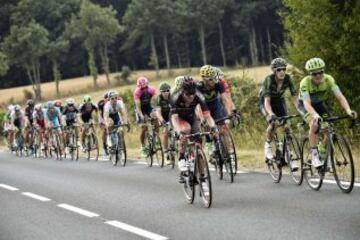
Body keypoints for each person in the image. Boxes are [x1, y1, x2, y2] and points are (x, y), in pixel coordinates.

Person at [298, 57, 357, 168]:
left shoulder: (329, 79)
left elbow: (340, 97)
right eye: (314, 74)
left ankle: (323, 149)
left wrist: (348, 111)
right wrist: (315, 115)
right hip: (305, 105)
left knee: (328, 128)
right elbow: (307, 103)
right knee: (314, 124)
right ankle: (315, 155)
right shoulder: (305, 82)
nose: (318, 75)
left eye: (321, 72)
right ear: (310, 74)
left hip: (319, 104)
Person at [170, 76, 218, 183]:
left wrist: (213, 128)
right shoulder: (175, 97)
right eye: (188, 94)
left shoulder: (199, 96)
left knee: (198, 141)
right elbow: (175, 118)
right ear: (182, 92)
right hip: (179, 118)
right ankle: (182, 157)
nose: (191, 96)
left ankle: (202, 175)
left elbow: (207, 115)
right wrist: (179, 132)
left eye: (193, 93)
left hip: (191, 116)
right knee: (185, 129)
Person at [259, 58, 299, 169]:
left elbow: (295, 98)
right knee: (272, 124)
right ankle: (268, 146)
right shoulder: (269, 80)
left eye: (284, 69)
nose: (282, 72)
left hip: (279, 102)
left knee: (287, 127)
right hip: (266, 103)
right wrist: (271, 114)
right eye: (279, 70)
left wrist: (301, 111)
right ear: (274, 71)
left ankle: (290, 155)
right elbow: (267, 101)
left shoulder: (288, 79)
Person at [197, 65, 237, 163]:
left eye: (214, 78)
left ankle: (230, 153)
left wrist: (229, 115)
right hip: (203, 107)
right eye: (211, 79)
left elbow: (225, 99)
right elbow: (197, 106)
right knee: (207, 127)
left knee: (224, 128)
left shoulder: (218, 83)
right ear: (204, 79)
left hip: (215, 105)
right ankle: (210, 150)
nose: (213, 81)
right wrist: (202, 120)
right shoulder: (198, 87)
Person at [133, 77, 157, 157]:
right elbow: (138, 107)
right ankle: (143, 147)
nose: (144, 90)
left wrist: (155, 111)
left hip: (148, 106)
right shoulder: (137, 92)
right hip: (140, 108)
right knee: (144, 127)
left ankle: (155, 138)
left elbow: (155, 102)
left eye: (145, 88)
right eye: (142, 88)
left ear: (148, 85)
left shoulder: (151, 89)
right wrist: (142, 116)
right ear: (139, 87)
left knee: (156, 117)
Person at [155, 82, 172, 165]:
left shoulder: (172, 97)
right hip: (163, 117)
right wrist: (162, 120)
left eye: (167, 90)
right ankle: (166, 153)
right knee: (165, 132)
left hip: (172, 117)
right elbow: (158, 112)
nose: (166, 93)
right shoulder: (159, 99)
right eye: (163, 91)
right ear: (160, 92)